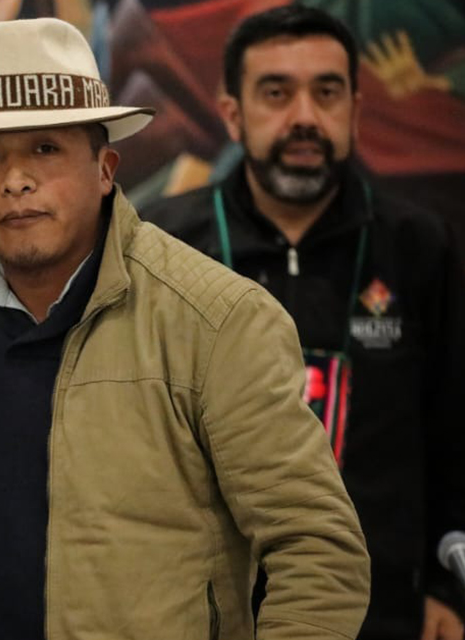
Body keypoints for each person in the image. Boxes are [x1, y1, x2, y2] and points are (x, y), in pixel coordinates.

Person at [0, 16, 371, 640]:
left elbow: (318, 549)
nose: (16, 180)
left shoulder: (217, 322)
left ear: (105, 169)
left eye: (45, 148)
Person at [141, 6, 465, 640]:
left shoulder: (421, 247)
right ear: (232, 113)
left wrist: (447, 586)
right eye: (276, 93)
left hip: (387, 608)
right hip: (206, 610)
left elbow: (455, 435)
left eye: (326, 92)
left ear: (355, 110)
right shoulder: (162, 247)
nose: (304, 118)